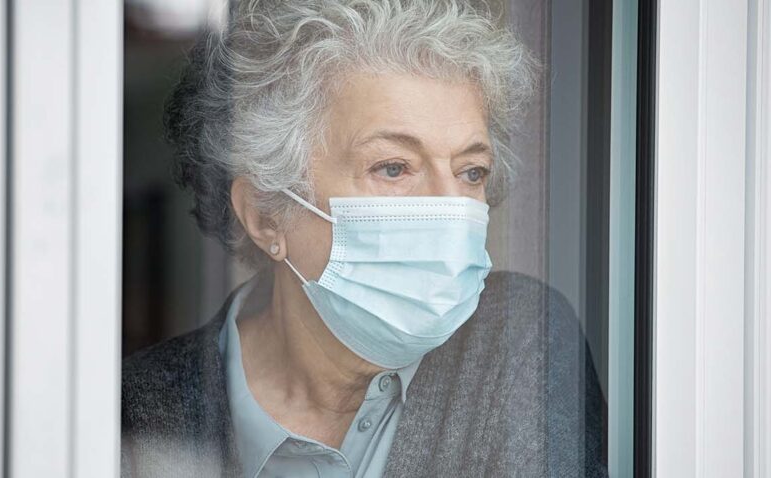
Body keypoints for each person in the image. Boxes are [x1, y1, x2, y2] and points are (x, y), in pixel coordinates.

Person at [122, 1, 606, 476]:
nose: (448, 207)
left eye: (471, 171)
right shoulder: (135, 410)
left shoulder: (518, 341)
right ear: (267, 214)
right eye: (393, 167)